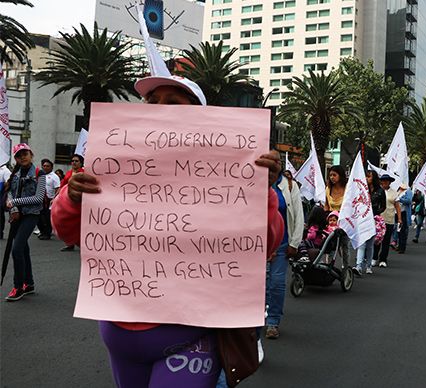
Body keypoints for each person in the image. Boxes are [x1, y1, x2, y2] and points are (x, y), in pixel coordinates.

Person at [51, 75, 285, 388]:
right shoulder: (114, 163)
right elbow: (67, 232)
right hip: (118, 334)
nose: (160, 110)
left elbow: (264, 245)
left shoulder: (229, 178)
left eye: (173, 103)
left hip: (188, 337)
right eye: (152, 102)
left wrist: (259, 191)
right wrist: (72, 198)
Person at [265, 170, 304, 340]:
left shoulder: (289, 185)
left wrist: (294, 242)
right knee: (260, 285)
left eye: (277, 162)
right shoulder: (253, 182)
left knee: (276, 283)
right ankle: (257, 319)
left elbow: (298, 214)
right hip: (258, 246)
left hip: (281, 244)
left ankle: (273, 322)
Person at [4, 143, 46, 301]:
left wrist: (15, 202)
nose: (22, 157)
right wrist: (13, 208)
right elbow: (9, 194)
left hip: (31, 215)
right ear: (15, 158)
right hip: (17, 216)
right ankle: (29, 284)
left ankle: (18, 286)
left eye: (25, 153)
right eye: (19, 155)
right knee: (24, 250)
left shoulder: (39, 173)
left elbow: (38, 198)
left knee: (17, 249)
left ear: (31, 154)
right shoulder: (14, 174)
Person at [353, 170, 385, 275]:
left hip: (373, 220)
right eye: (366, 177)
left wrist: (376, 214)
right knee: (361, 243)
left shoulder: (380, 191)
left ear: (374, 178)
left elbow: (383, 206)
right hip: (362, 219)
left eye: (369, 177)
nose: (367, 179)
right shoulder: (362, 189)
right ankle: (358, 266)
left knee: (370, 245)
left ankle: (369, 266)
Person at [59, 154, 85, 251]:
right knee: (68, 224)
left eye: (76, 161)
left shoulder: (84, 173)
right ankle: (70, 243)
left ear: (81, 163)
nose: (74, 162)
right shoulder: (69, 173)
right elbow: (62, 186)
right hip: (68, 202)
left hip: (80, 202)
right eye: (72, 161)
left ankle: (83, 244)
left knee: (80, 224)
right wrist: (56, 197)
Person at [373, 174, 398, 263]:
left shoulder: (394, 192)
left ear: (389, 182)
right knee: (377, 239)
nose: (385, 182)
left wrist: (399, 219)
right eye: (383, 180)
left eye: (387, 181)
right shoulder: (377, 191)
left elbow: (397, 205)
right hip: (379, 219)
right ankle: (374, 257)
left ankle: (383, 259)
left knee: (386, 240)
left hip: (389, 218)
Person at [37, 159, 61, 240]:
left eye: (47, 166)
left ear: (51, 167)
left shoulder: (54, 176)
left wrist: (54, 198)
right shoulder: (41, 175)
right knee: (39, 217)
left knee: (47, 218)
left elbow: (58, 188)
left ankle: (47, 234)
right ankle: (42, 231)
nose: (45, 167)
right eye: (44, 166)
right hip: (40, 199)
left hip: (50, 200)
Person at [393, 183, 413, 255]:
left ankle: (402, 247)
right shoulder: (397, 190)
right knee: (397, 230)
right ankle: (398, 244)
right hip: (396, 213)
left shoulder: (408, 191)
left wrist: (400, 199)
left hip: (403, 213)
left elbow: (409, 200)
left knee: (402, 231)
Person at [0, 162, 11, 239]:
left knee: (0, 214)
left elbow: (9, 183)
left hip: (1, 194)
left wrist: (4, 184)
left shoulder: (5, 170)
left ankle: (0, 232)